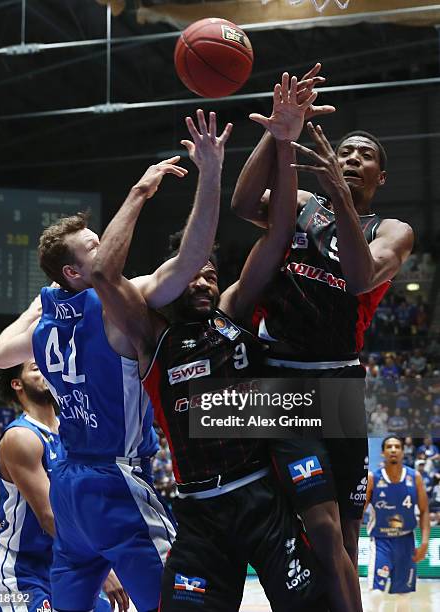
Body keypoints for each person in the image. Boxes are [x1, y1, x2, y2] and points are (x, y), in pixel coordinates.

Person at [92, 74, 328, 611]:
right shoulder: (153, 335)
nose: (202, 282)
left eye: (210, 273)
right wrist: (139, 192)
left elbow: (279, 230)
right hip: (200, 512)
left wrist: (284, 141)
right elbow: (105, 274)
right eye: (191, 274)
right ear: (174, 280)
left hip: (262, 497)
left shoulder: (234, 309)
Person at [0, 110, 232, 612]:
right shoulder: (117, 306)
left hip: (70, 490)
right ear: (77, 270)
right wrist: (206, 175)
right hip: (114, 479)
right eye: (94, 246)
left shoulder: (45, 324)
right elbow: (192, 257)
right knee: (179, 601)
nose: (106, 248)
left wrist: (47, 297)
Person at [231, 73, 414, 612]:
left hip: (340, 383)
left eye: (365, 156)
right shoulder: (304, 202)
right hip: (280, 378)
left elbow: (362, 278)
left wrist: (341, 194)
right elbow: (243, 203)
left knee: (347, 539)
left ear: (381, 176)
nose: (353, 157)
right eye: (346, 150)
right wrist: (279, 134)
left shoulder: (392, 228)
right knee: (322, 528)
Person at [0, 360, 125, 612]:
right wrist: (102, 567)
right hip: (19, 572)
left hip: (63, 565)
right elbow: (49, 517)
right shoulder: (21, 437)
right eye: (36, 369)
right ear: (17, 384)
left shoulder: (73, 432)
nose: (46, 372)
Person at [365, 436, 430, 612]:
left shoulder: (414, 477)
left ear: (402, 452)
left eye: (397, 446)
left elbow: (424, 511)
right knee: (376, 593)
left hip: (406, 541)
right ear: (382, 452)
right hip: (380, 541)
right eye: (389, 446)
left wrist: (424, 542)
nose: (393, 449)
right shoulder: (373, 478)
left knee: (404, 598)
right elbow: (359, 512)